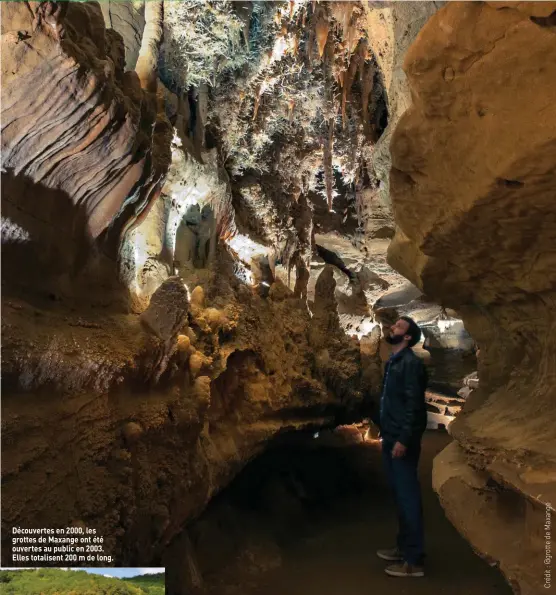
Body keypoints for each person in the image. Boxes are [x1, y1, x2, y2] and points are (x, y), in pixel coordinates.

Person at [376, 316, 428, 578]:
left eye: (398, 326)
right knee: (399, 495)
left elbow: (414, 407)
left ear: (407, 337)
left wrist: (403, 440)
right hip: (391, 436)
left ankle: (413, 561)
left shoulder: (410, 364)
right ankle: (403, 546)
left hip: (401, 441)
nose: (392, 327)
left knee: (408, 498)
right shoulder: (394, 362)